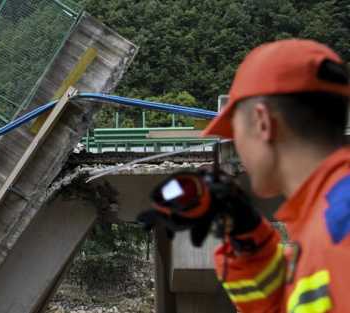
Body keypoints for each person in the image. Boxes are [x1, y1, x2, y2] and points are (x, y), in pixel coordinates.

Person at [141, 39, 350, 313]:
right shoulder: (324, 221)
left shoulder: (340, 223)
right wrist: (247, 236)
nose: (237, 147)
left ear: (263, 123)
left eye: (234, 133)